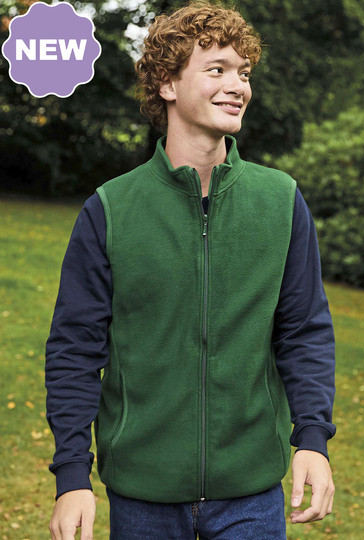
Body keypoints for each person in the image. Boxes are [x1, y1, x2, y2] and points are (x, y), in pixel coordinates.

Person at [45, 1, 336, 538]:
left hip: (252, 494)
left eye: (243, 72)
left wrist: (312, 440)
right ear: (167, 84)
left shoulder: (281, 200)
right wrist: (71, 476)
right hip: (143, 495)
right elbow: (75, 349)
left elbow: (304, 330)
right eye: (217, 69)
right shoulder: (110, 210)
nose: (237, 85)